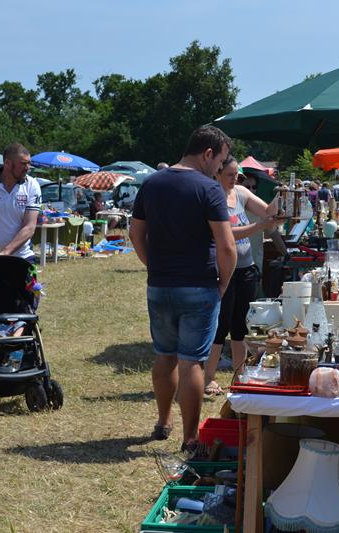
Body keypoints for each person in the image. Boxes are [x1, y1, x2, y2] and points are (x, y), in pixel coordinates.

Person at [129, 125, 237, 452]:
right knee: (192, 362)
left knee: (164, 357)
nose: (219, 169)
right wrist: (223, 284)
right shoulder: (209, 189)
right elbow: (227, 247)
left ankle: (163, 421)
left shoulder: (151, 183)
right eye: (219, 162)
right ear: (207, 153)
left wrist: (154, 267)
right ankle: (190, 438)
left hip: (160, 286)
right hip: (199, 286)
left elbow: (135, 235)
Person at [204, 158, 280, 396]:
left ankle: (240, 375)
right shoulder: (212, 196)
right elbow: (225, 234)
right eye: (230, 174)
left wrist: (284, 194)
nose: (235, 178)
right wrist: (259, 227)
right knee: (220, 325)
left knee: (241, 326)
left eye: (237, 174)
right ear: (217, 173)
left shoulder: (241, 192)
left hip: (246, 269)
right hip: (223, 271)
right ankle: (208, 378)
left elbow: (268, 211)